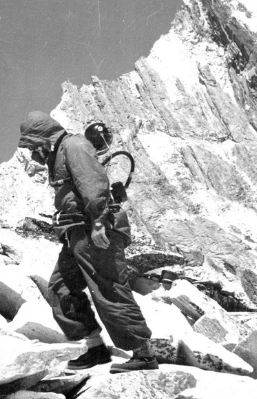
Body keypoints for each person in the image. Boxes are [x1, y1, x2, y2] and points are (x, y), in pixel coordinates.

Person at [18, 111, 158, 373]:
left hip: (93, 228)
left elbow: (94, 186)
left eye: (32, 145)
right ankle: (94, 349)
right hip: (75, 233)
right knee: (61, 288)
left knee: (109, 288)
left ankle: (144, 354)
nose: (32, 153)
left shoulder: (74, 145)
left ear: (42, 136)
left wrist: (97, 223)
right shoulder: (58, 152)